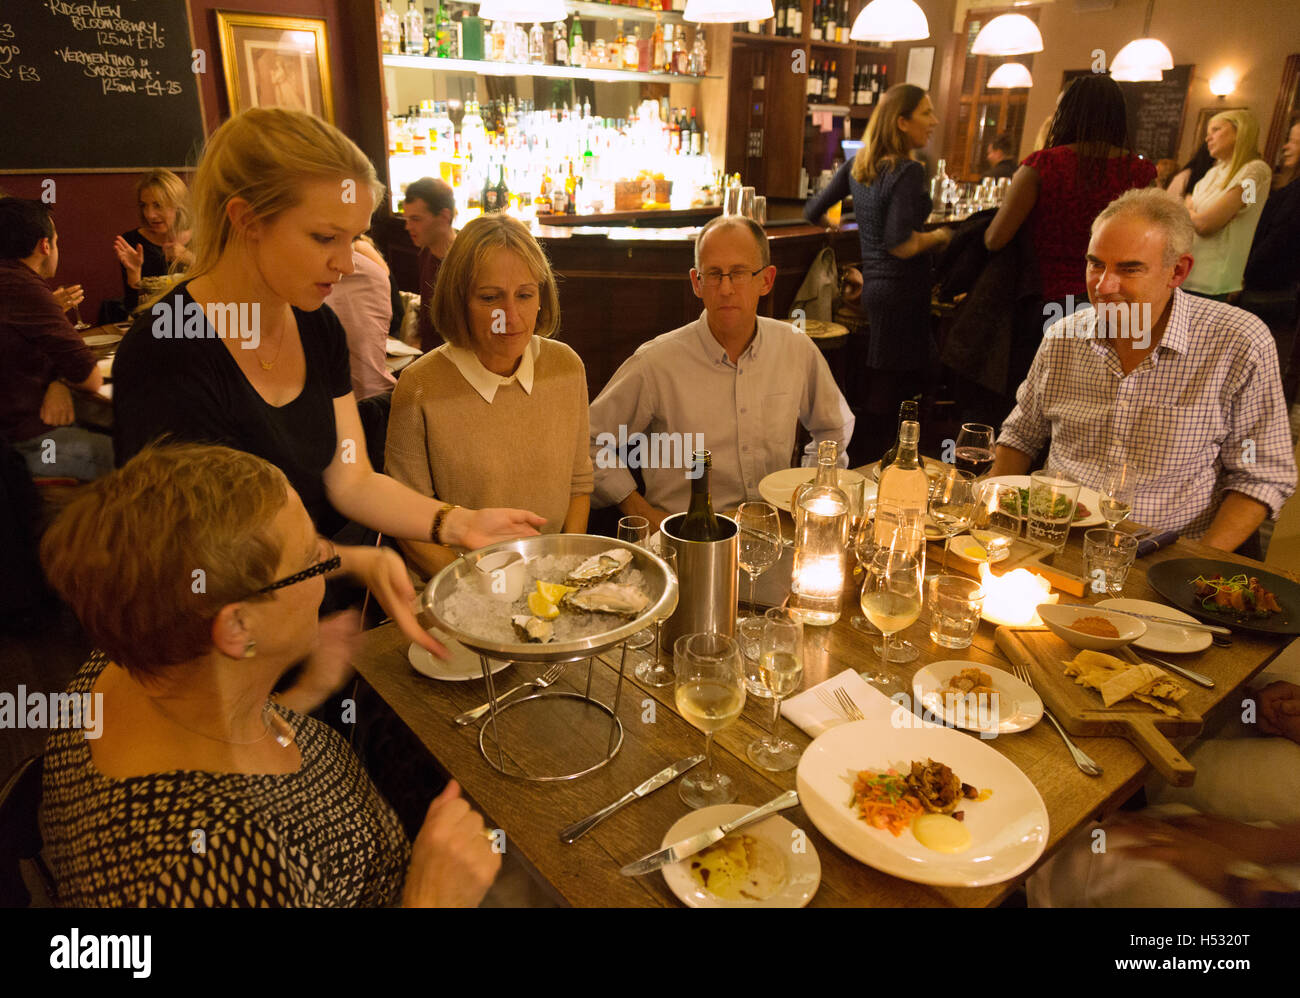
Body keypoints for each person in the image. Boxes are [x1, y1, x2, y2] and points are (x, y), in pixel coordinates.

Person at [111, 108, 544, 655]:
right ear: (246, 219)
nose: (346, 263)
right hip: (222, 640)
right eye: (325, 238)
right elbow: (201, 550)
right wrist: (351, 560)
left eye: (356, 239)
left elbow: (351, 480)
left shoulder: (316, 325)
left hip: (316, 608)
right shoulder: (167, 349)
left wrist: (456, 523)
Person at [38, 442, 501, 907]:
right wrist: (431, 899)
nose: (329, 565)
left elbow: (225, 738)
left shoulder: (126, 658)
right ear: (237, 626)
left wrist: (304, 692)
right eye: (310, 560)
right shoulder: (211, 864)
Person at [990, 188, 1296, 551]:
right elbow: (1020, 437)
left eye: (1128, 268)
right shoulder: (1062, 336)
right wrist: (987, 516)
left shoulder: (1237, 342)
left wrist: (1194, 566)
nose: (1103, 286)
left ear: (1177, 271)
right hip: (1054, 541)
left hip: (1166, 555)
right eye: (1095, 263)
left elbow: (1260, 476)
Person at [589, 215, 853, 532]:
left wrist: (812, 490)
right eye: (713, 274)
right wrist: (638, 508)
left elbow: (833, 428)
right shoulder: (656, 363)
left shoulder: (795, 348)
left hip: (774, 535)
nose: (725, 288)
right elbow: (588, 442)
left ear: (766, 280)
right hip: (686, 540)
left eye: (739, 273)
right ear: (696, 283)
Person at [385, 213, 593, 579]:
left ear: (541, 297)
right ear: (459, 300)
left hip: (552, 582)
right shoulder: (419, 385)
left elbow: (579, 485)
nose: (510, 317)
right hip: (460, 586)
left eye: (525, 295)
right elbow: (406, 522)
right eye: (490, 297)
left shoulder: (567, 367)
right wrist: (480, 592)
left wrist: (564, 572)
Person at [984, 74, 1156, 393]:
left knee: (1040, 396)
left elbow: (995, 238)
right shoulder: (1142, 173)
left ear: (1067, 113)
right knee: (1098, 397)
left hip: (1053, 300)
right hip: (1117, 303)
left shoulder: (1043, 165)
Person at [803, 84, 949, 461]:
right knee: (903, 386)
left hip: (876, 290)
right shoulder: (907, 170)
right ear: (902, 122)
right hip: (904, 291)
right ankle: (882, 464)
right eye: (926, 113)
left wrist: (839, 228)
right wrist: (941, 236)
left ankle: (869, 461)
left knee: (886, 382)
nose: (934, 122)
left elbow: (814, 209)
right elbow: (901, 243)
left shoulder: (859, 165)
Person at [0, 198, 113, 481]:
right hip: (24, 446)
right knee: (139, 456)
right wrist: (63, 380)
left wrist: (56, 381)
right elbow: (90, 379)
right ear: (45, 245)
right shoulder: (25, 288)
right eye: (57, 240)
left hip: (14, 433)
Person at [1240, 114, 1300, 401]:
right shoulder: (1285, 185)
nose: (1286, 147)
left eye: (1294, 142)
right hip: (1269, 289)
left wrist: (1243, 273)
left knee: (1260, 376)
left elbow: (1278, 244)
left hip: (1271, 293)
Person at [1182, 108, 1271, 299]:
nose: (1208, 138)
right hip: (1187, 273)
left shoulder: (1257, 172)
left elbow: (1206, 225)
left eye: (1215, 130)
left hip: (1213, 282)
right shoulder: (1213, 172)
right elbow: (1192, 213)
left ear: (1240, 131)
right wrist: (1191, 210)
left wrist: (1188, 208)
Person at [327, 234, 398, 400]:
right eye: (322, 238)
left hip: (369, 402)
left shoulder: (371, 275)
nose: (348, 267)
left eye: (351, 239)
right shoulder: (254, 303)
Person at [112, 169, 193, 313]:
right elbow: (134, 310)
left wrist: (190, 259)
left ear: (179, 205)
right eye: (144, 205)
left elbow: (223, 291)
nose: (150, 215)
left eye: (158, 205)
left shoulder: (203, 238)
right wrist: (134, 275)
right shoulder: (132, 242)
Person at [403, 177, 457, 353]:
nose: (408, 227)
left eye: (416, 219)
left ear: (444, 216)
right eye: (407, 219)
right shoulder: (425, 253)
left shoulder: (463, 262)